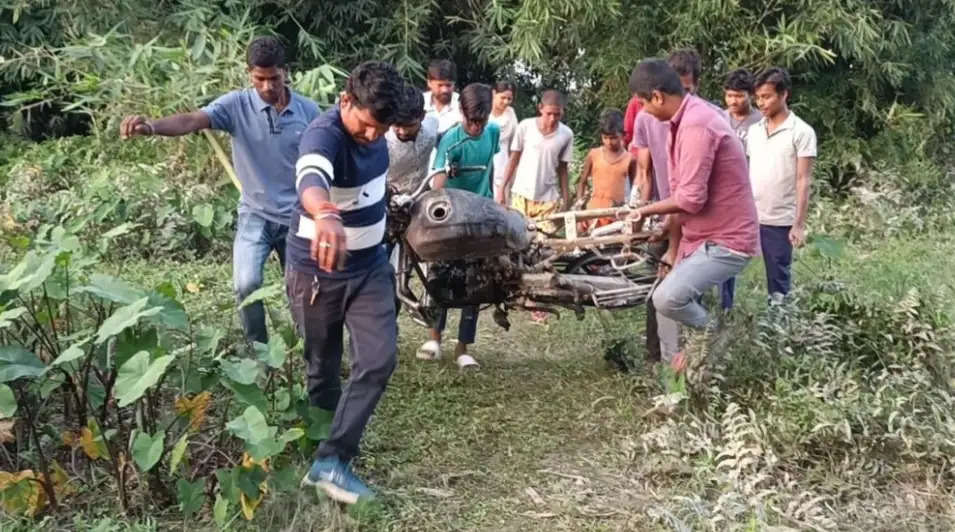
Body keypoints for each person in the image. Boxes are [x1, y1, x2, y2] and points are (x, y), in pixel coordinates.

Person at [120, 36, 319, 347]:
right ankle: (259, 352)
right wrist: (152, 127)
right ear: (249, 74)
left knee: (303, 291)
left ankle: (312, 353)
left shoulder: (308, 111)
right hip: (255, 213)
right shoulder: (235, 105)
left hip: (298, 217)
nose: (267, 87)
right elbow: (191, 120)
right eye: (259, 79)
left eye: (274, 79)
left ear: (286, 72)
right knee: (246, 284)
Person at [290, 61, 404, 504]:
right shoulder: (324, 134)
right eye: (367, 125)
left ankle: (333, 459)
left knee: (378, 360)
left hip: (370, 267)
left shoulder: (377, 134)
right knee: (323, 366)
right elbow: (311, 177)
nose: (374, 136)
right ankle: (320, 450)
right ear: (345, 102)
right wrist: (325, 214)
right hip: (317, 273)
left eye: (382, 128)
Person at [627, 59, 759, 374]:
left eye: (644, 103)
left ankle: (720, 336)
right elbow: (680, 193)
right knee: (665, 311)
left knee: (668, 298)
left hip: (727, 241)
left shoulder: (697, 124)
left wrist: (641, 211)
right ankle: (674, 388)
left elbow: (689, 198)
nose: (643, 111)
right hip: (698, 238)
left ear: (657, 96)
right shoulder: (680, 122)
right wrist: (671, 242)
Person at [416, 83, 500, 369]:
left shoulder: (493, 132)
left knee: (475, 281)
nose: (476, 127)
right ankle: (434, 338)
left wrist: (497, 199)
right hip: (453, 218)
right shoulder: (451, 140)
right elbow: (438, 184)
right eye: (471, 120)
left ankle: (463, 347)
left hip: (482, 214)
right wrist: (447, 173)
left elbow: (491, 167)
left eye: (482, 120)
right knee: (441, 277)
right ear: (461, 111)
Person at [667, 48, 737, 312]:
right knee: (663, 291)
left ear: (696, 84)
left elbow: (696, 193)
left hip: (702, 218)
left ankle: (713, 336)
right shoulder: (649, 116)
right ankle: (665, 351)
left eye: (687, 90)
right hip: (667, 213)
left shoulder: (708, 118)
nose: (680, 98)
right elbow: (644, 167)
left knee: (692, 292)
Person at [747, 67, 817, 302]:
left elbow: (803, 179)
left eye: (767, 96)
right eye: (758, 98)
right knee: (729, 273)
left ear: (783, 95)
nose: (761, 103)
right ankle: (725, 316)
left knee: (778, 282)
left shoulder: (802, 132)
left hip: (779, 220)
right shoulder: (754, 131)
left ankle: (779, 329)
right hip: (749, 216)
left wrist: (798, 224)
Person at [497, 89, 574, 233]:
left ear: (563, 112)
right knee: (518, 237)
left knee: (543, 241)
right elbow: (513, 160)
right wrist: (501, 189)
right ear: (540, 108)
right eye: (549, 113)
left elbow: (563, 169)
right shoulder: (525, 127)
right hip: (521, 194)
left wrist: (566, 198)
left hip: (547, 199)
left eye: (557, 114)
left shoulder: (566, 134)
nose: (552, 118)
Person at [575, 108, 636, 229]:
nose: (609, 142)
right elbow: (582, 182)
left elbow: (635, 189)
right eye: (605, 138)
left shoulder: (630, 159)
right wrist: (579, 209)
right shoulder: (594, 155)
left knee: (613, 246)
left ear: (623, 135)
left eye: (613, 137)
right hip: (592, 214)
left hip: (615, 216)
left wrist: (631, 209)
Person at [385, 85, 438, 193]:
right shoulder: (383, 144)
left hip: (422, 193)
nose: (403, 131)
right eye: (397, 125)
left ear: (422, 116)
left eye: (409, 125)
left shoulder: (432, 126)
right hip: (391, 198)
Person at [490, 81, 519, 200]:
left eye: (509, 99)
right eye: (503, 97)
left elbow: (515, 144)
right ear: (494, 93)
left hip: (503, 162)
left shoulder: (511, 113)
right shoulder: (484, 110)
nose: (506, 102)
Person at [722, 68, 762, 151]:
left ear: (751, 95)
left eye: (739, 96)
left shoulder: (762, 121)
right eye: (729, 96)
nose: (733, 101)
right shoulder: (719, 119)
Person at [423, 59, 461, 136]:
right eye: (440, 85)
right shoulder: (420, 102)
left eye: (448, 85)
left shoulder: (462, 104)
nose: (445, 90)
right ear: (429, 83)